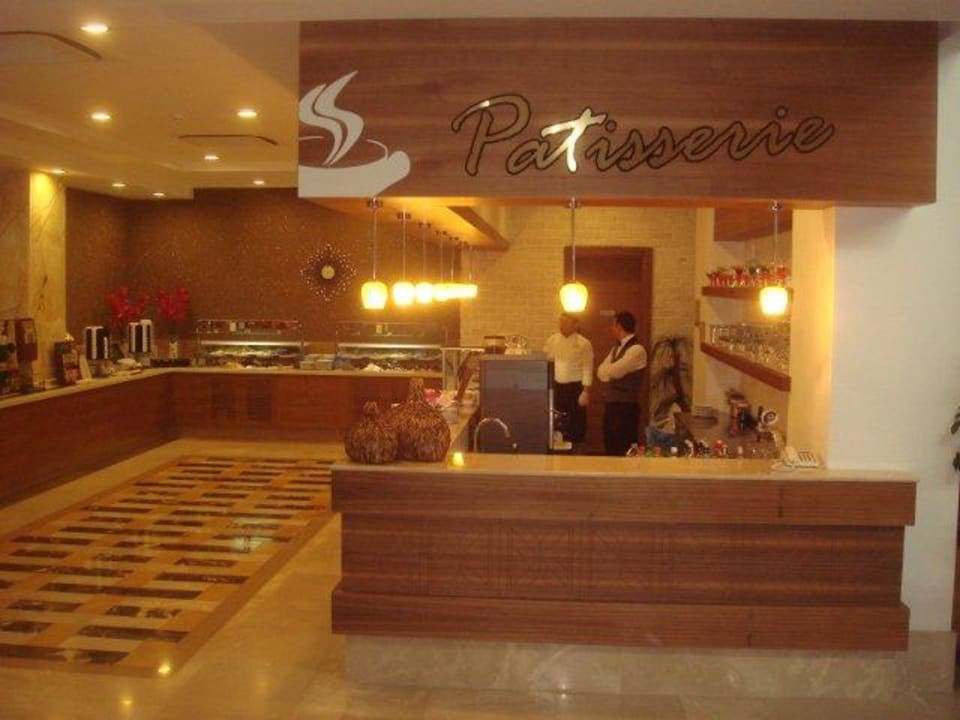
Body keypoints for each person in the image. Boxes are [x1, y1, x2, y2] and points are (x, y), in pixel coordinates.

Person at [597, 311, 647, 456]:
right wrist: (609, 372)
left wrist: (609, 372)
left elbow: (616, 372)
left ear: (619, 326)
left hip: (626, 408)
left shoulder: (637, 350)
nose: (611, 328)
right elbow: (600, 372)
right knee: (610, 445)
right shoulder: (615, 349)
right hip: (612, 405)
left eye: (613, 325)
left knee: (624, 448)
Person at [543, 313, 594, 447]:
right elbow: (547, 360)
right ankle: (556, 449)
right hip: (557, 387)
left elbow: (587, 368)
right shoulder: (552, 340)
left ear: (575, 325)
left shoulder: (584, 343)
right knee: (557, 422)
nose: (562, 325)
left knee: (576, 423)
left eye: (566, 322)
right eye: (560, 321)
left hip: (575, 388)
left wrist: (585, 391)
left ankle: (576, 451)